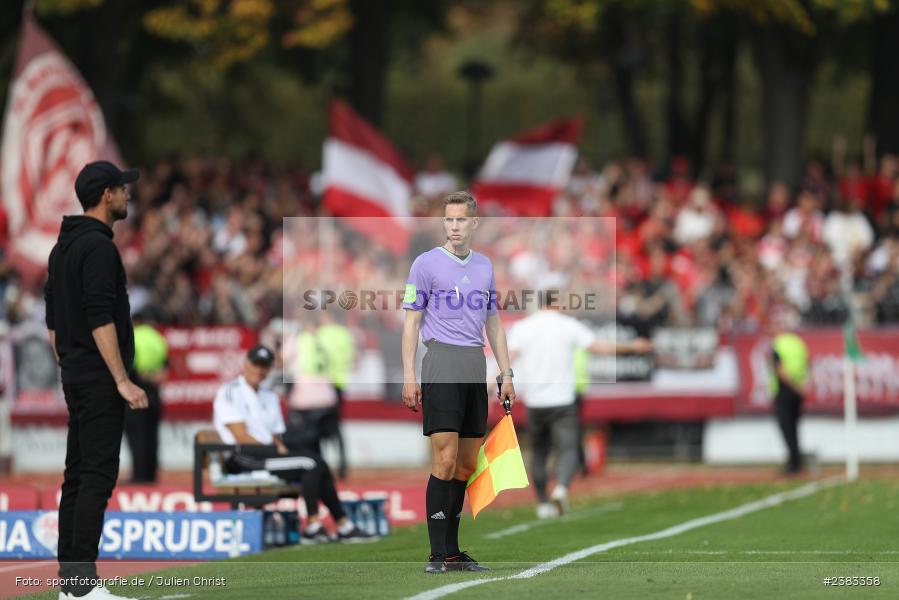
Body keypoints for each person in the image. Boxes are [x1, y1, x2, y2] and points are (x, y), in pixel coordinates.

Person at [45, 161, 149, 600]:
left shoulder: (61, 248)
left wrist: (72, 365)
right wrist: (121, 379)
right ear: (107, 195)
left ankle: (71, 582)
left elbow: (54, 325)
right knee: (96, 475)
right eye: (122, 188)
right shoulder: (100, 249)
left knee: (77, 474)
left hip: (76, 373)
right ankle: (82, 585)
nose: (128, 194)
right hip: (98, 378)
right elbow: (99, 317)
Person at [402, 191, 515, 574]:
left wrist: (506, 372)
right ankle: (437, 555)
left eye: (461, 220)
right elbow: (412, 322)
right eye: (449, 220)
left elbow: (494, 323)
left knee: (467, 464)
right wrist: (408, 375)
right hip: (441, 362)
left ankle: (452, 552)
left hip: (473, 364)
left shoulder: (484, 266)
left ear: (473, 223)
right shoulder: (425, 264)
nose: (454, 226)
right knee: (445, 459)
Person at [213, 345, 375, 543]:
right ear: (246, 363)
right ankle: (320, 526)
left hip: (265, 454)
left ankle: (340, 525)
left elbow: (276, 435)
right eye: (255, 364)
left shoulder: (268, 395)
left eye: (264, 365)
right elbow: (240, 435)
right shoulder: (230, 391)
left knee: (318, 462)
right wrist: (276, 451)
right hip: (243, 457)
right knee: (310, 463)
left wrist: (279, 450)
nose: (259, 370)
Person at [507, 299, 652, 518]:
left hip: (535, 401)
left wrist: (492, 384)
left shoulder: (522, 327)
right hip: (563, 400)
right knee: (568, 449)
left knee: (539, 452)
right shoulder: (567, 325)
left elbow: (508, 359)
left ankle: (543, 504)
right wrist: (632, 346)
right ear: (556, 303)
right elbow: (597, 346)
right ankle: (561, 488)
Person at [124, 311, 168, 483]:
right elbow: (165, 367)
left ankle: (139, 476)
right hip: (155, 393)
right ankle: (151, 474)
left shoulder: (133, 337)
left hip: (136, 391)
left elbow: (130, 367)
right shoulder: (158, 338)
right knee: (152, 436)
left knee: (137, 437)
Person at [770, 327, 809, 474]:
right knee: (795, 428)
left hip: (784, 390)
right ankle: (796, 461)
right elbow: (807, 366)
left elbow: (779, 369)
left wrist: (793, 386)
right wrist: (800, 387)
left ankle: (793, 464)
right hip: (798, 391)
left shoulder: (779, 344)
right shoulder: (799, 344)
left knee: (786, 428)